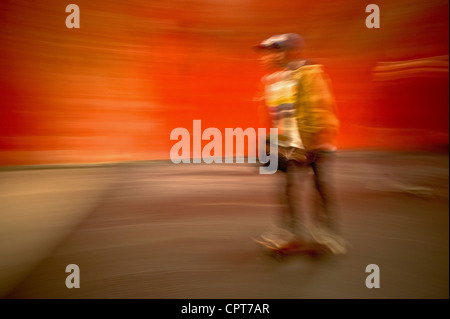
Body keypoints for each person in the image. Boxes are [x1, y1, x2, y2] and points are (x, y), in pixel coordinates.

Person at [254, 33, 347, 254]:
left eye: (269, 52)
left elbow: (319, 110)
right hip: (290, 145)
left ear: (285, 52)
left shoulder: (309, 73)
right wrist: (269, 143)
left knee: (319, 185)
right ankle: (291, 232)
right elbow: (278, 115)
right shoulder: (274, 80)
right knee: (287, 189)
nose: (263, 58)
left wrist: (309, 145)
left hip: (313, 143)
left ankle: (326, 232)